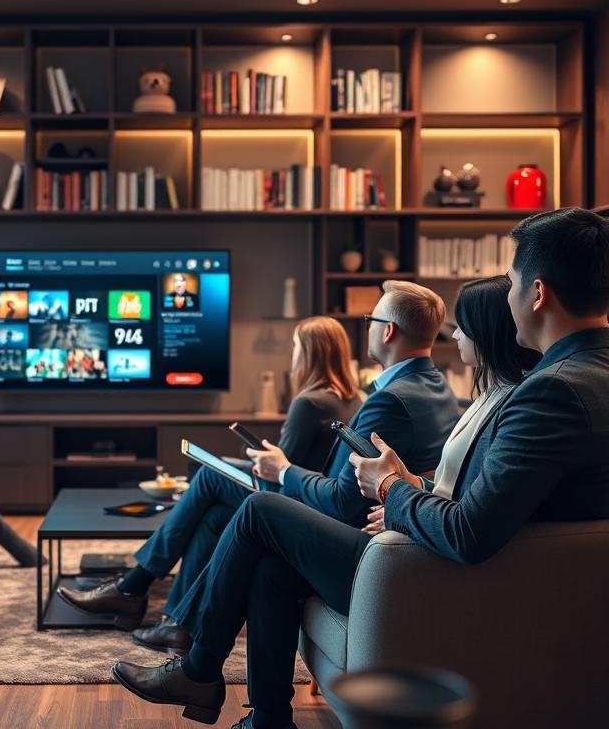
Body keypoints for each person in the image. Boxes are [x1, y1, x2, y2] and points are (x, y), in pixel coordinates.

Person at [110, 207, 609, 729]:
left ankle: (196, 666)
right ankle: (265, 718)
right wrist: (413, 487)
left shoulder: (549, 392)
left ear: (537, 293)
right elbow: (492, 497)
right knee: (270, 564)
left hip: (433, 573)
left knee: (260, 509)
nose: (507, 300)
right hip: (465, 562)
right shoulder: (578, 375)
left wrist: (391, 488)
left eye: (511, 283)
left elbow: (469, 533)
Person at [59, 294, 459, 654]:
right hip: (356, 511)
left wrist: (281, 468)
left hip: (330, 518)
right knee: (215, 513)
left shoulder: (379, 401)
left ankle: (136, 589)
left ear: (387, 331)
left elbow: (336, 497)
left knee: (210, 478)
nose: (367, 326)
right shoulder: (433, 389)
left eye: (371, 320)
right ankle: (176, 622)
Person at [363, 275, 539, 535]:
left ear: (485, 329)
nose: (454, 334)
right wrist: (411, 482)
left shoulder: (511, 403)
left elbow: (469, 517)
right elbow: (455, 491)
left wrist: (390, 488)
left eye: (463, 326)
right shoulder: (490, 395)